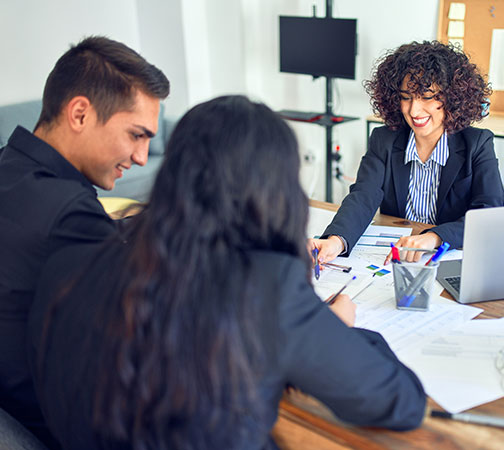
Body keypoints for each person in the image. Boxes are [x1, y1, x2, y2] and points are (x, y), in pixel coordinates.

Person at [27, 96, 426, 449]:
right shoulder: (270, 288)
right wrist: (335, 329)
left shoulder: (82, 255)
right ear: (277, 190)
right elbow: (400, 402)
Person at [0, 36, 169, 447]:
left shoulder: (10, 166)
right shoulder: (70, 212)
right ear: (79, 113)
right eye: (136, 135)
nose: (143, 156)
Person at [311, 41, 504, 264]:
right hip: (396, 257)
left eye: (427, 97)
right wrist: (335, 241)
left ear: (451, 97)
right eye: (406, 97)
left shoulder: (478, 144)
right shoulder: (384, 139)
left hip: (447, 257)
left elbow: (489, 213)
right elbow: (363, 196)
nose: (414, 110)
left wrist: (434, 237)